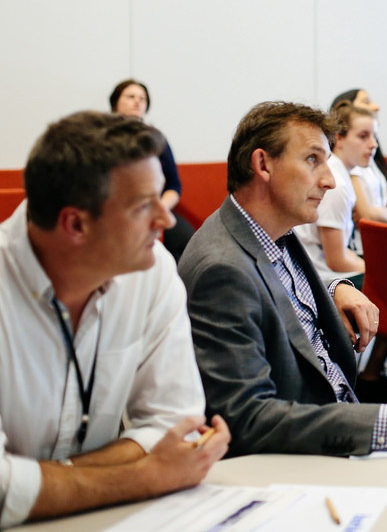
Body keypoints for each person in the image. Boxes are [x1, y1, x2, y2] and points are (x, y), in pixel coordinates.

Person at [179, 102, 387, 458]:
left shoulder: (271, 232)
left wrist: (335, 288)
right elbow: (247, 420)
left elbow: (274, 292)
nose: (329, 179)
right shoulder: (222, 270)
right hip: (305, 458)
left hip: (338, 423)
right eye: (312, 160)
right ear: (263, 165)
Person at [0, 112, 230, 527]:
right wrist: (142, 477)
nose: (166, 219)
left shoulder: (153, 268)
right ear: (76, 224)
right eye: (144, 206)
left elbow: (175, 424)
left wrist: (50, 482)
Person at [294, 101, 378, 288]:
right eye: (363, 136)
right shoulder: (336, 185)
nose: (373, 144)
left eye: (374, 136)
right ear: (338, 139)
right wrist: (377, 270)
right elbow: (336, 260)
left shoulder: (342, 176)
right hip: (321, 278)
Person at [109, 79, 195, 260]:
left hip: (156, 206)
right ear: (116, 102)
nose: (138, 101)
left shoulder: (156, 139)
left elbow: (173, 185)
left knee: (187, 241)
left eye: (142, 98)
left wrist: (160, 209)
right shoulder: (104, 139)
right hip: (118, 211)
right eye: (131, 96)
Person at [332, 88, 387, 225]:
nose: (376, 106)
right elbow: (366, 214)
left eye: (373, 135)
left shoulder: (368, 158)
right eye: (366, 102)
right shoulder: (348, 165)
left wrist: (377, 212)